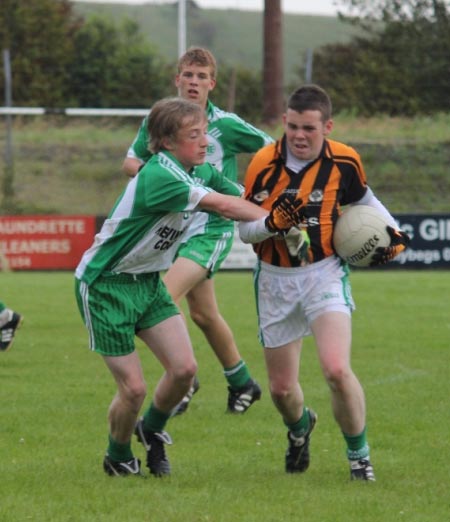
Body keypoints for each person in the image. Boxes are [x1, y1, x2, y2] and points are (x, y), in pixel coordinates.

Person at [75, 97, 303, 478]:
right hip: (105, 286)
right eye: (193, 135)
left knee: (183, 370)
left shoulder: (195, 168)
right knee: (132, 390)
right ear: (166, 141)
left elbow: (240, 196)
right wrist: (276, 221)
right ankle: (117, 456)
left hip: (147, 283)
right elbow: (226, 208)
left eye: (203, 133)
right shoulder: (161, 175)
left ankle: (151, 429)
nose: (204, 143)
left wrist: (286, 214)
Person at [239, 84, 410, 481]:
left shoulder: (345, 161)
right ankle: (300, 429)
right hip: (275, 280)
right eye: (293, 126)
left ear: (327, 127)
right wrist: (270, 224)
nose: (299, 136)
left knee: (335, 369)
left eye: (309, 129)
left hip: (324, 272)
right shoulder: (263, 164)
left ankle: (359, 458)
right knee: (282, 391)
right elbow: (244, 231)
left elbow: (365, 201)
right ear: (284, 121)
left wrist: (395, 234)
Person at [122, 47, 273, 416]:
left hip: (212, 225)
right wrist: (158, 179)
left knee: (162, 301)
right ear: (177, 79)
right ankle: (242, 383)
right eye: (187, 75)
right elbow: (129, 161)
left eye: (201, 76)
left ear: (212, 83)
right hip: (175, 227)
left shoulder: (227, 124)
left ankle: (184, 380)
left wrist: (263, 190)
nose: (193, 82)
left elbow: (273, 151)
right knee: (203, 314)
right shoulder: (161, 121)